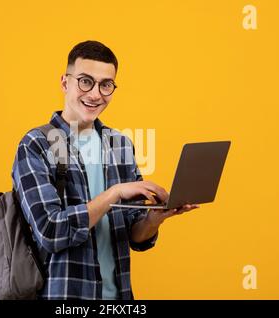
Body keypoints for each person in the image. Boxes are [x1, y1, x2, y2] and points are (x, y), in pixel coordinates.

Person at [11, 40, 199, 300]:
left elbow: (135, 235)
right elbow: (50, 231)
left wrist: (155, 218)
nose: (96, 94)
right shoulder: (37, 144)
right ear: (65, 83)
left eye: (106, 85)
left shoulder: (120, 144)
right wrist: (114, 194)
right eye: (85, 81)